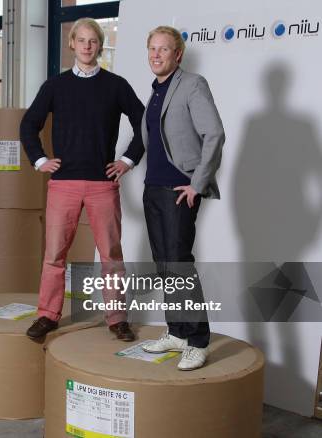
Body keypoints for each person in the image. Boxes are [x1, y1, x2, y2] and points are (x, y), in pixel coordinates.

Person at [20, 17, 144, 341]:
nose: (87, 46)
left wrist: (128, 160)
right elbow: (28, 125)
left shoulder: (116, 85)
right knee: (54, 256)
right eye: (82, 40)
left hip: (103, 185)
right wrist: (40, 159)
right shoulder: (55, 86)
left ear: (99, 46)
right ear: (72, 43)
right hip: (63, 185)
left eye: (93, 41)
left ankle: (117, 319)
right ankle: (47, 315)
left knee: (112, 257)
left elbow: (145, 122)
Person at [112, 26, 225, 370]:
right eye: (152, 49)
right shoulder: (156, 91)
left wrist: (197, 183)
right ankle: (177, 332)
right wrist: (128, 164)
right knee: (164, 265)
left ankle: (198, 340)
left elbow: (214, 133)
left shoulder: (192, 84)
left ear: (178, 55)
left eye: (163, 49)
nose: (156, 55)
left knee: (178, 264)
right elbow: (152, 139)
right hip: (153, 188)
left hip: (179, 191)